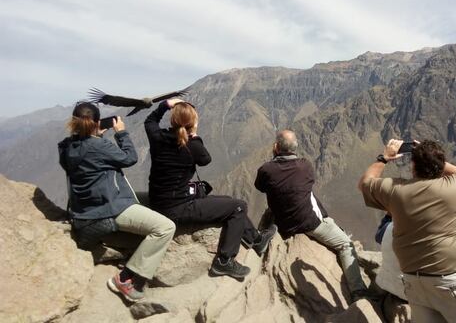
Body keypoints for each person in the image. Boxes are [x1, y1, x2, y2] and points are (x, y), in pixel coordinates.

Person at [358, 139, 456, 322]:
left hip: (414, 284)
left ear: (412, 167)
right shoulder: (454, 189)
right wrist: (432, 157)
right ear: (440, 166)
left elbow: (364, 183)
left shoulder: (396, 191)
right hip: (450, 281)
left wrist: (384, 158)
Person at [144, 98, 275, 279]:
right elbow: (206, 159)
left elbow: (149, 121)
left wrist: (165, 105)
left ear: (172, 121)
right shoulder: (193, 145)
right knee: (239, 206)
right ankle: (224, 261)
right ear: (193, 124)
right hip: (178, 208)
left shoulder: (157, 137)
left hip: (160, 201)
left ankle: (257, 240)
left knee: (229, 202)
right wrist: (195, 135)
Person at [58, 102, 176, 302]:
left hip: (84, 208)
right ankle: (126, 278)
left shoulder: (66, 147)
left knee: (149, 199)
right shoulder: (99, 146)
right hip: (108, 208)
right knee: (165, 227)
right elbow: (129, 158)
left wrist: (95, 135)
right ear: (96, 122)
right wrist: (121, 133)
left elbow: (88, 157)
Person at [254, 130, 369, 302]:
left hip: (283, 223)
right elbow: (307, 183)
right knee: (345, 244)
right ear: (295, 149)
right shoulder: (305, 166)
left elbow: (260, 187)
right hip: (308, 223)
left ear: (276, 147)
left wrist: (275, 158)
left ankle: (260, 236)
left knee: (280, 201)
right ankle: (358, 292)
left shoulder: (266, 170)